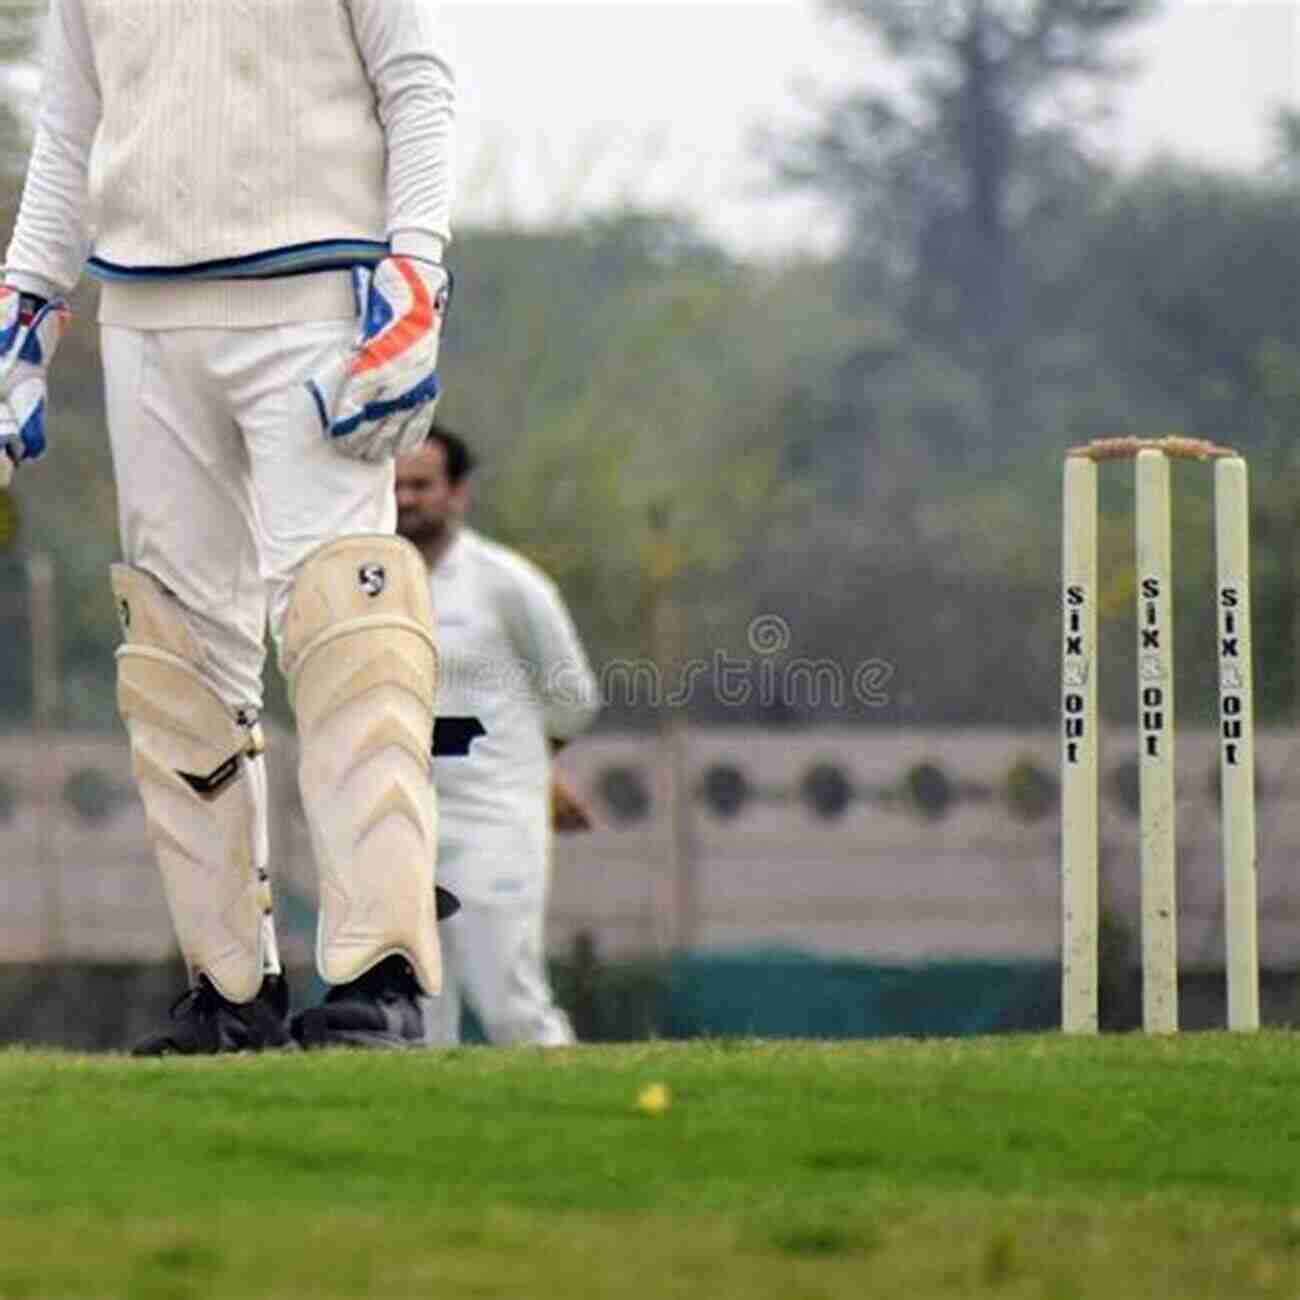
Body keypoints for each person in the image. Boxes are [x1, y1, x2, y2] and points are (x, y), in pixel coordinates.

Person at [0, 0, 459, 1053]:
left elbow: (420, 88)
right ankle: (229, 993)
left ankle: (377, 978)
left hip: (317, 304)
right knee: (178, 663)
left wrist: (418, 274)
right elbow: (70, 127)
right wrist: (26, 309)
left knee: (348, 632)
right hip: (146, 319)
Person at [395, 425, 600, 1046]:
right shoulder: (365, 583)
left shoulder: (507, 583)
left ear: (458, 492)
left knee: (509, 1002)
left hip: (492, 817)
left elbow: (573, 698)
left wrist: (538, 771)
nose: (406, 498)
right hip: (397, 818)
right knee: (416, 1022)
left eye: (422, 485)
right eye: (395, 485)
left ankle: (583, 1129)